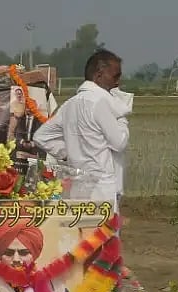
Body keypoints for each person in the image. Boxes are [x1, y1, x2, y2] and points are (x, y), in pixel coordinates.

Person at [32, 49, 129, 209]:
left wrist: (68, 153)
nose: (118, 82)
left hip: (78, 186)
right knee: (103, 234)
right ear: (98, 76)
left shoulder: (71, 104)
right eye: (115, 76)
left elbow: (41, 136)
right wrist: (121, 117)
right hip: (102, 189)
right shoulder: (100, 103)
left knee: (80, 232)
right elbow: (119, 143)